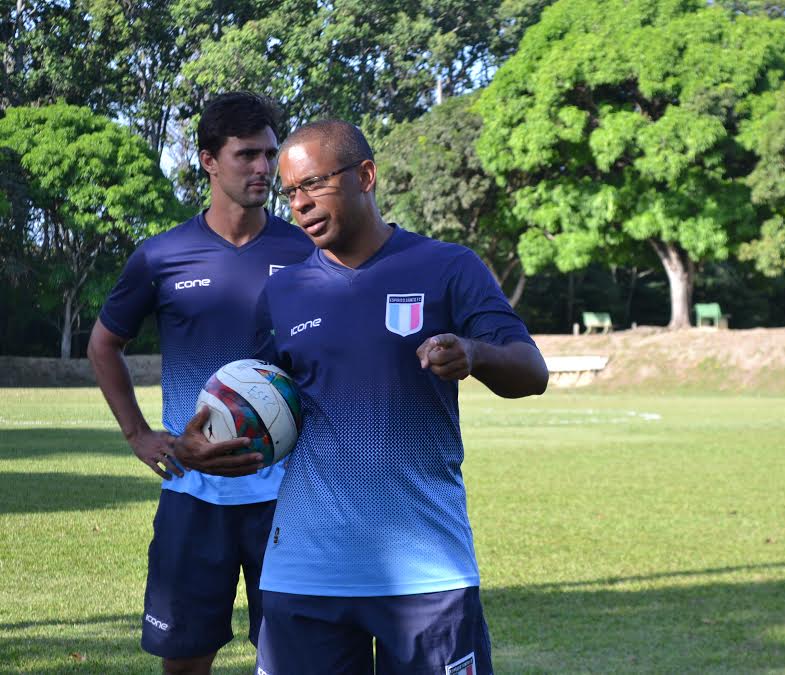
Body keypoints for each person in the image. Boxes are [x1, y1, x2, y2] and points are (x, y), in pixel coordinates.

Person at [250, 120, 548, 674]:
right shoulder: (283, 292)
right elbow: (261, 401)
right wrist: (211, 434)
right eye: (289, 192)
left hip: (426, 569)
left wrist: (475, 355)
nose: (300, 204)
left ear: (365, 175)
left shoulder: (448, 267)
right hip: (305, 569)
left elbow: (532, 370)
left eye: (314, 184)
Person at [87, 92, 314, 675]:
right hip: (194, 495)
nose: (263, 168)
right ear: (209, 160)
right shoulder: (161, 256)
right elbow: (104, 342)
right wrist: (140, 435)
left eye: (270, 154)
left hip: (292, 499)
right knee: (185, 662)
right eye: (247, 155)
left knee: (297, 661)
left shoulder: (308, 251)